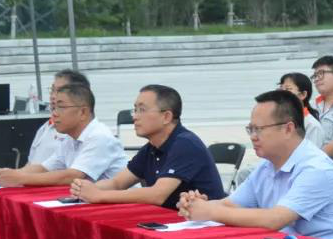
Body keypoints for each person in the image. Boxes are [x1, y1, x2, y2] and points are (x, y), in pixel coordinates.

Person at [178, 89, 333, 239]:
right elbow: (230, 204)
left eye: (259, 129)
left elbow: (275, 219)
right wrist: (195, 205)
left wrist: (210, 211)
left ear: (288, 129)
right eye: (250, 129)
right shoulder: (267, 165)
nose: (253, 137)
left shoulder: (317, 169)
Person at [70, 85, 224, 208]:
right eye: (135, 110)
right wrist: (87, 188)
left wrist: (99, 195)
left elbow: (157, 195)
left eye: (142, 110)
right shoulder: (151, 147)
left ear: (166, 117)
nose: (134, 117)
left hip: (208, 224)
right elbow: (117, 183)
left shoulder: (185, 144)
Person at [0, 83, 127, 186]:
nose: (54, 114)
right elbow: (44, 167)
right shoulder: (69, 137)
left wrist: (21, 178)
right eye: (53, 107)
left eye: (61, 107)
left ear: (83, 112)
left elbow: (73, 176)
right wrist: (9, 174)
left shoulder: (100, 137)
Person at [28, 69, 89, 166]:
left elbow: (71, 172)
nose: (53, 96)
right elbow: (31, 164)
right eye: (52, 90)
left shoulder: (78, 135)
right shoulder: (45, 127)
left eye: (60, 91)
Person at [279, 72, 325, 148]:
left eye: (288, 89)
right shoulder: (278, 120)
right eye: (281, 89)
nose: (281, 93)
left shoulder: (312, 126)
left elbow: (312, 154)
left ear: (303, 95)